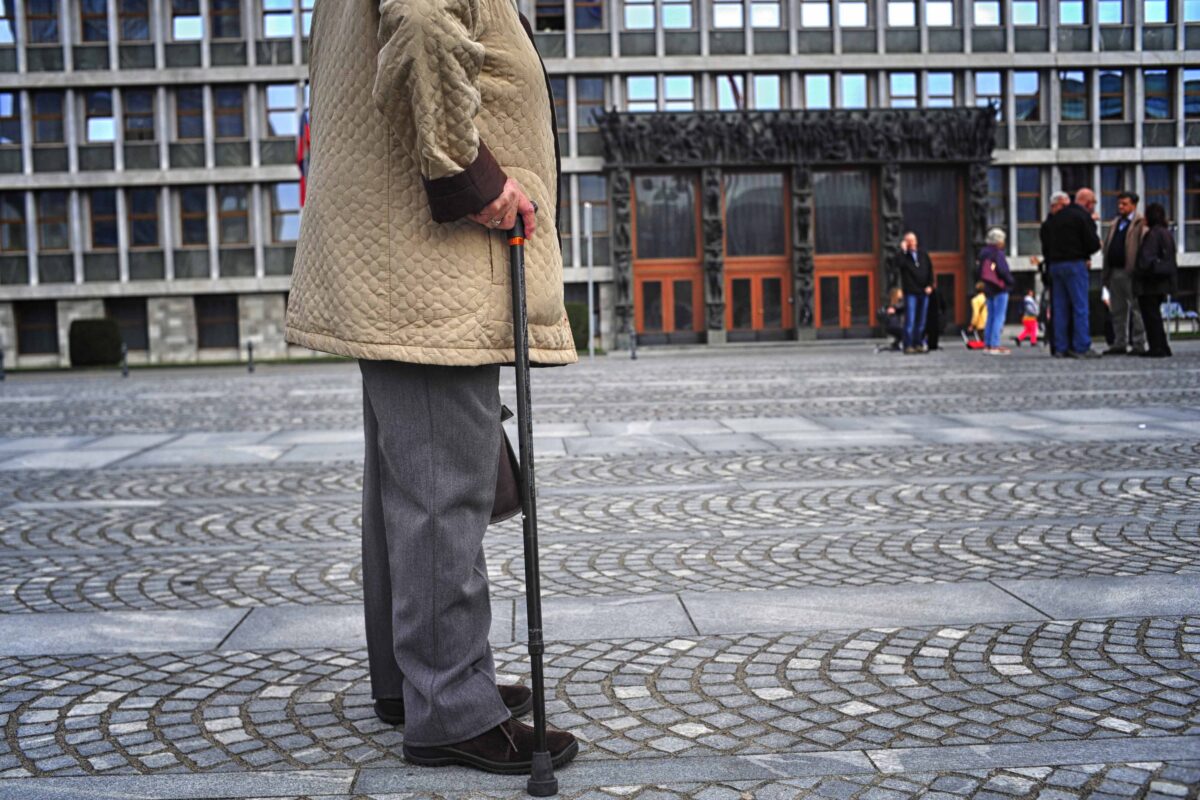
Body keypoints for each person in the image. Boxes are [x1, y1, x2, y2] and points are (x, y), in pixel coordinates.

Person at [284, 0, 580, 776]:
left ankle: (412, 683)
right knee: (442, 490)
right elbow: (422, 22)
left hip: (391, 253)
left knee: (409, 485)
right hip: (425, 255)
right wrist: (473, 176)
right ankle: (450, 707)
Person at [1040, 187, 1102, 359]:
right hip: (1075, 264)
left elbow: (1045, 244)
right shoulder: (1081, 217)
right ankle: (1081, 346)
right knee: (1080, 307)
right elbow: (1093, 244)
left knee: (1060, 308)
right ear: (1088, 203)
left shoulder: (1052, 220)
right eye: (1093, 203)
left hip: (1055, 266)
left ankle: (1061, 346)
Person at [1101, 191, 1147, 355]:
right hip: (1115, 272)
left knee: (1136, 309)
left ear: (1134, 205)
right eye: (1119, 204)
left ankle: (1138, 343)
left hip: (1131, 272)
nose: (1121, 207)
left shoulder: (1140, 224)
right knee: (1117, 310)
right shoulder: (1116, 223)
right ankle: (1119, 342)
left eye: (1125, 204)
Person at [1134, 202, 1178, 358]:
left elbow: (1146, 260)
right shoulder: (1166, 233)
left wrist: (1139, 272)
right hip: (1162, 281)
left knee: (1151, 316)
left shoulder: (1153, 234)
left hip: (1150, 283)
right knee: (1155, 316)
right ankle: (1162, 345)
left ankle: (1156, 347)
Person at [891, 232, 934, 354]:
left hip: (924, 291)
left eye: (912, 240)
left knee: (921, 320)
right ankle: (908, 344)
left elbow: (930, 270)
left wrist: (930, 285)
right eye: (908, 241)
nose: (911, 243)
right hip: (911, 292)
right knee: (910, 319)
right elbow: (897, 265)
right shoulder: (904, 256)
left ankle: (919, 343)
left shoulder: (923, 255)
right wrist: (903, 251)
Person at [978, 227, 1015, 355]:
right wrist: (1010, 281)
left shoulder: (983, 253)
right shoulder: (998, 253)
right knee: (999, 316)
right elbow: (1003, 271)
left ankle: (987, 344)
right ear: (998, 241)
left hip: (988, 288)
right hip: (1000, 287)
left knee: (991, 317)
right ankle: (995, 344)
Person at [878, 287, 906, 351]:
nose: (902, 294)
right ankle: (898, 343)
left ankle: (896, 343)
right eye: (900, 293)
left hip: (892, 326)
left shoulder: (892, 304)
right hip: (897, 325)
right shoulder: (899, 303)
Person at [925, 276, 947, 351]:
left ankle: (931, 344)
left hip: (932, 314)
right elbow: (943, 304)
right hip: (933, 314)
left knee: (932, 331)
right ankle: (932, 344)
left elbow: (942, 303)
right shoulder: (937, 292)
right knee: (933, 331)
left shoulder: (935, 293)